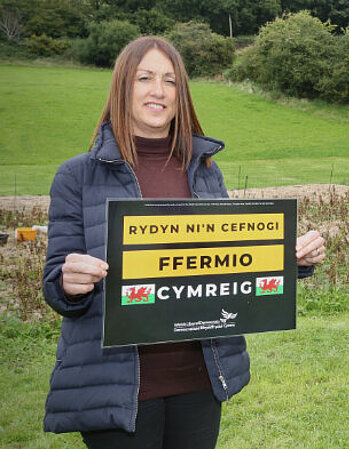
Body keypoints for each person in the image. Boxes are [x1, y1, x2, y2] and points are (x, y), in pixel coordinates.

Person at [42, 36, 326, 449]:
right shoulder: (76, 176)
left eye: (170, 81)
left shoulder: (205, 169)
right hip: (117, 388)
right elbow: (55, 283)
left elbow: (228, 262)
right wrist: (69, 282)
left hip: (198, 379)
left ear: (181, 95)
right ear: (123, 87)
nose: (158, 90)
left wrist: (291, 260)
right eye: (145, 78)